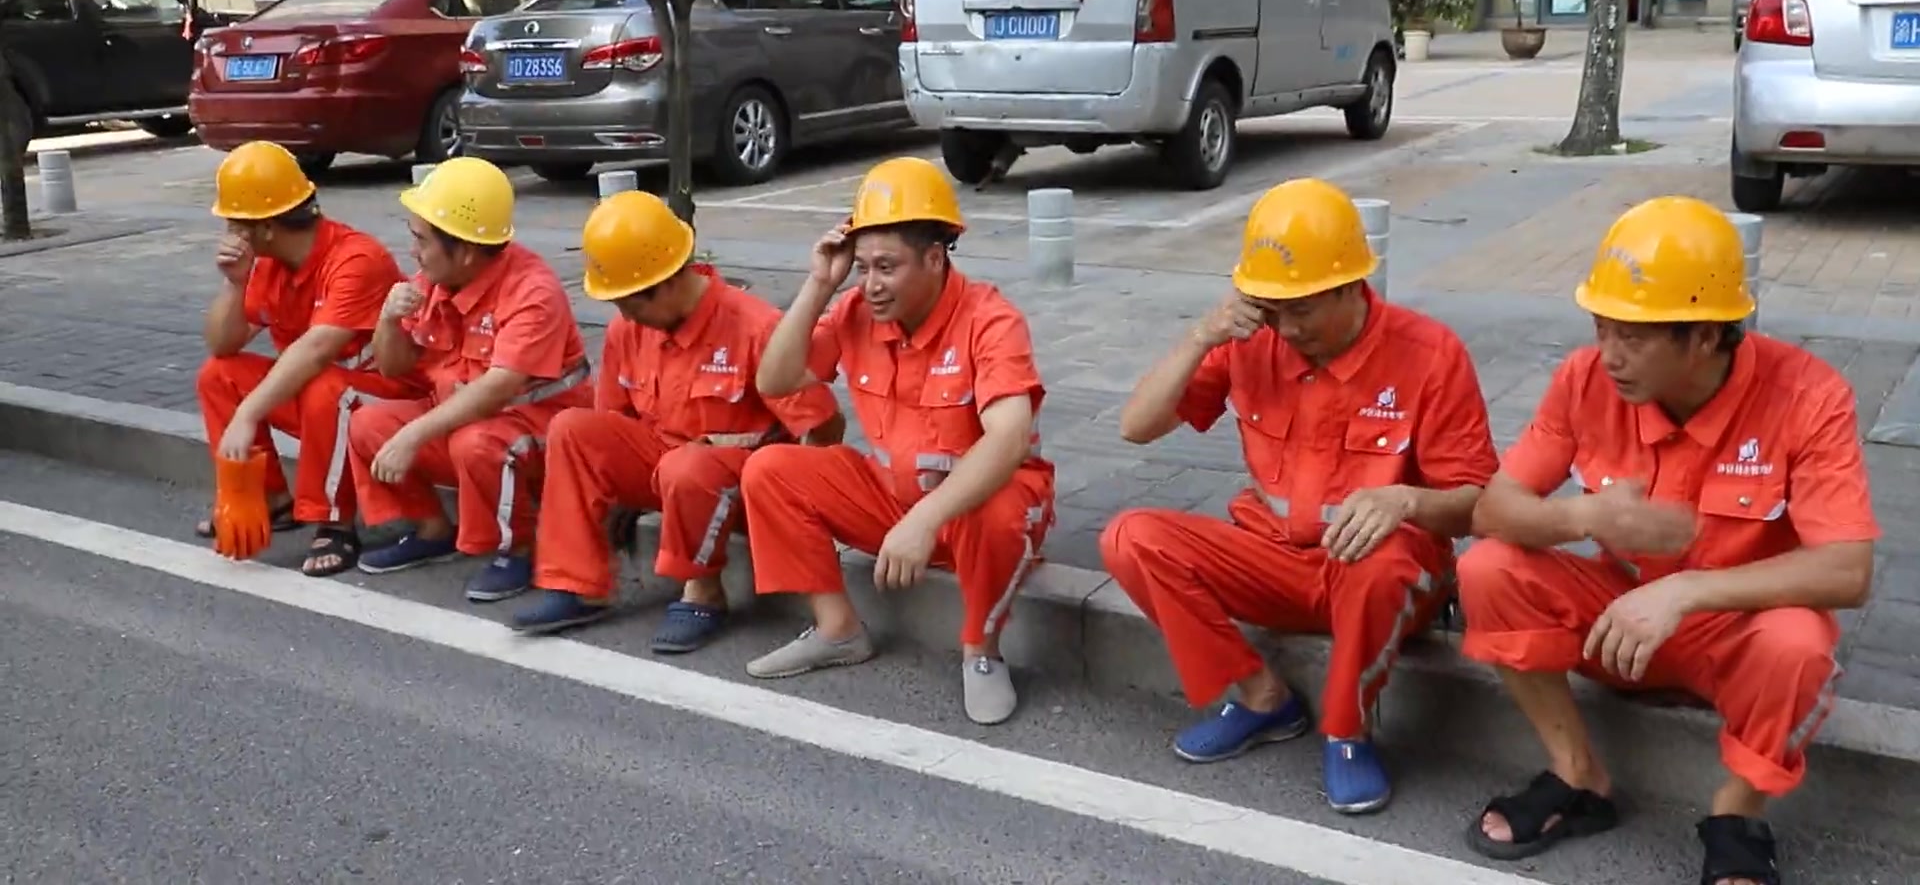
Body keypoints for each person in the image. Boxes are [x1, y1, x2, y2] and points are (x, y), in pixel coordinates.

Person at [1459, 196, 1877, 885]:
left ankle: (1737, 817)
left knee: (1800, 643)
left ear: (1707, 336)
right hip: (1618, 625)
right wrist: (1584, 518)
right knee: (1488, 569)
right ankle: (1577, 776)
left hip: (1734, 639)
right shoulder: (1583, 380)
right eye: (1601, 327)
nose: (1609, 355)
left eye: (1634, 335)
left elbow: (1848, 570)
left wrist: (1686, 590)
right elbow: (1493, 508)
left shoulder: (1808, 396)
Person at [1098, 178, 1498, 814]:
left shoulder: (1429, 354)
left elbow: (1477, 500)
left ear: (1351, 287)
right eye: (1271, 306)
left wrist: (1405, 504)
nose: (1286, 327)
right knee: (1130, 537)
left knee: (1384, 562)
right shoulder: (1251, 342)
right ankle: (1261, 697)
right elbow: (1136, 425)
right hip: (1275, 560)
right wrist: (1203, 336)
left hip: (1377, 573)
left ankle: (1348, 732)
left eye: (1302, 309)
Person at [742, 156, 1053, 726]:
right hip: (894, 501)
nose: (871, 284)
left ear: (935, 259)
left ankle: (981, 653)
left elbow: (1008, 441)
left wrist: (925, 519)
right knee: (770, 470)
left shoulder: (991, 319)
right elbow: (775, 380)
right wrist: (819, 284)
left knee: (1000, 508)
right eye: (862, 266)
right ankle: (838, 630)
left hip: (971, 513)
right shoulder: (856, 308)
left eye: (887, 266)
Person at [512, 191, 845, 645]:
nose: (623, 314)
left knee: (686, 466)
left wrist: (792, 510)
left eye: (631, 302)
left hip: (733, 482)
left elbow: (823, 425)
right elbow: (612, 422)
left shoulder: (754, 328)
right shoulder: (629, 329)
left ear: (668, 282)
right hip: (667, 469)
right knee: (571, 429)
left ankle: (703, 591)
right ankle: (575, 585)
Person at [345, 156, 594, 602]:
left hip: (541, 432)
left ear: (464, 250)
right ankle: (432, 529)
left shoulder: (531, 291)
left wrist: (415, 435)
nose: (413, 253)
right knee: (368, 424)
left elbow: (497, 389)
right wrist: (387, 320)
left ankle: (519, 548)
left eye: (421, 241)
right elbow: (394, 367)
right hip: (468, 422)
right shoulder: (434, 279)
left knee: (474, 442)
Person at [195, 141, 428, 575]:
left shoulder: (355, 259)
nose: (229, 231)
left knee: (326, 386)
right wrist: (234, 284)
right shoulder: (266, 263)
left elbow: (317, 349)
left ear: (262, 228)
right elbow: (223, 345)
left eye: (234, 221)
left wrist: (248, 414)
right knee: (219, 375)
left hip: (392, 401)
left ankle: (334, 522)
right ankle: (270, 497)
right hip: (326, 396)